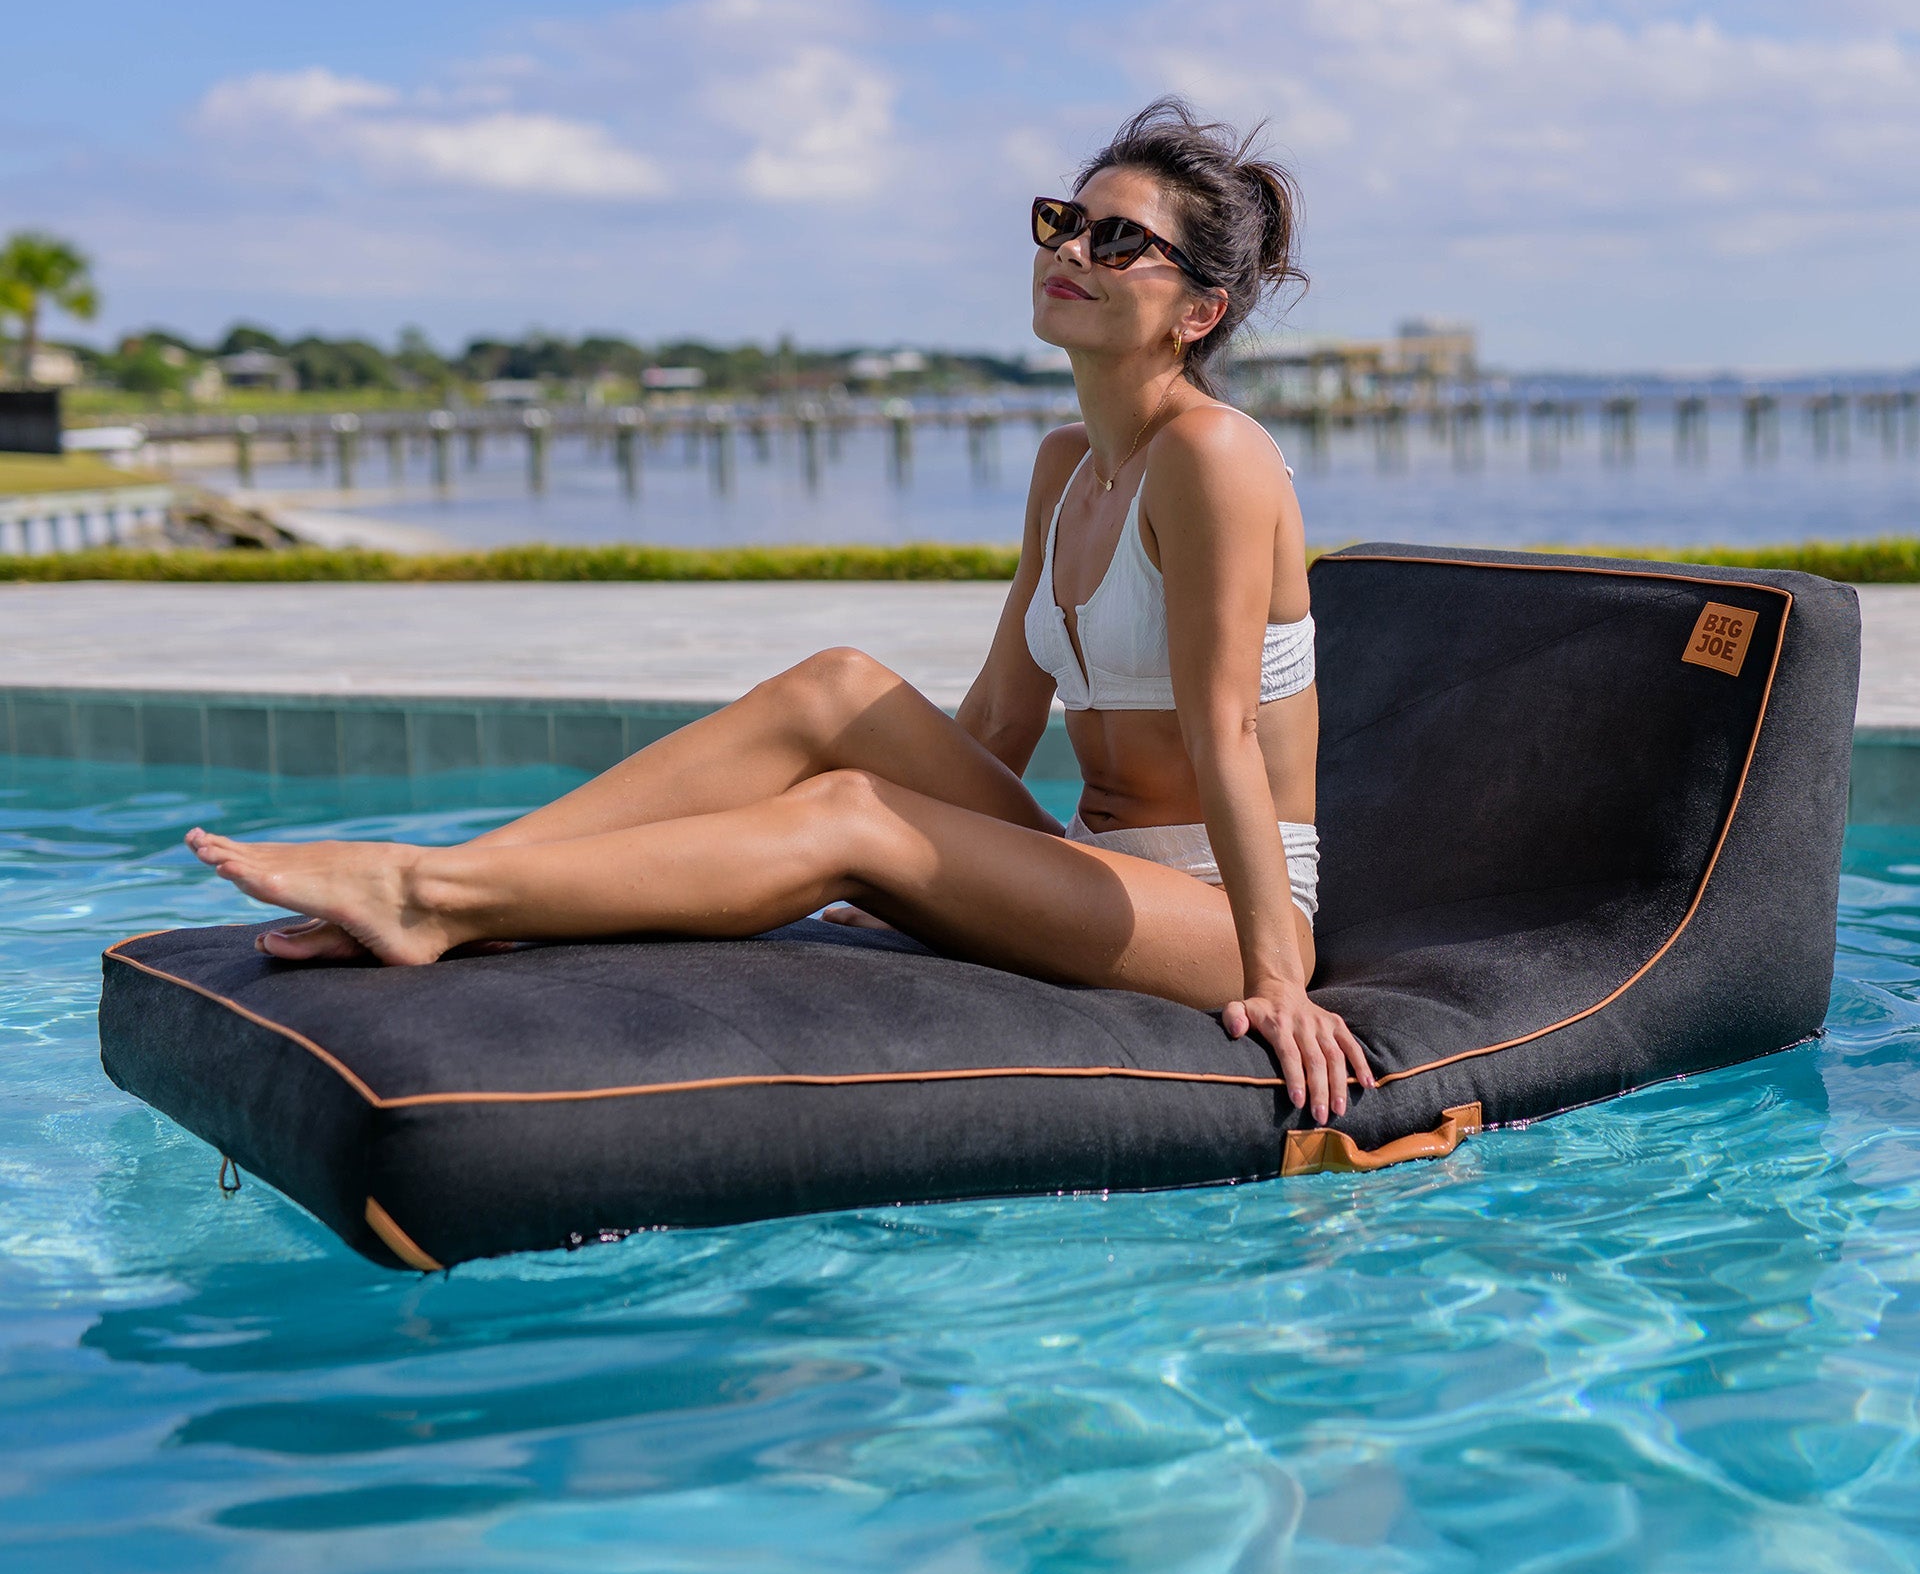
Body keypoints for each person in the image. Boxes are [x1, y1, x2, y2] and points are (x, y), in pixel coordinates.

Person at [185, 98, 1374, 1126]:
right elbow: (1002, 721)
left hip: (1220, 908)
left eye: (1123, 241)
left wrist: (1279, 980)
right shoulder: (1069, 461)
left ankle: (425, 897)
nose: (1074, 249)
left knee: (853, 814)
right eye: (1065, 221)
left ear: (1198, 313)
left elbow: (1224, 737)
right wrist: (946, 868)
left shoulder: (1215, 457)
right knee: (839, 686)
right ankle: (468, 883)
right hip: (1093, 868)